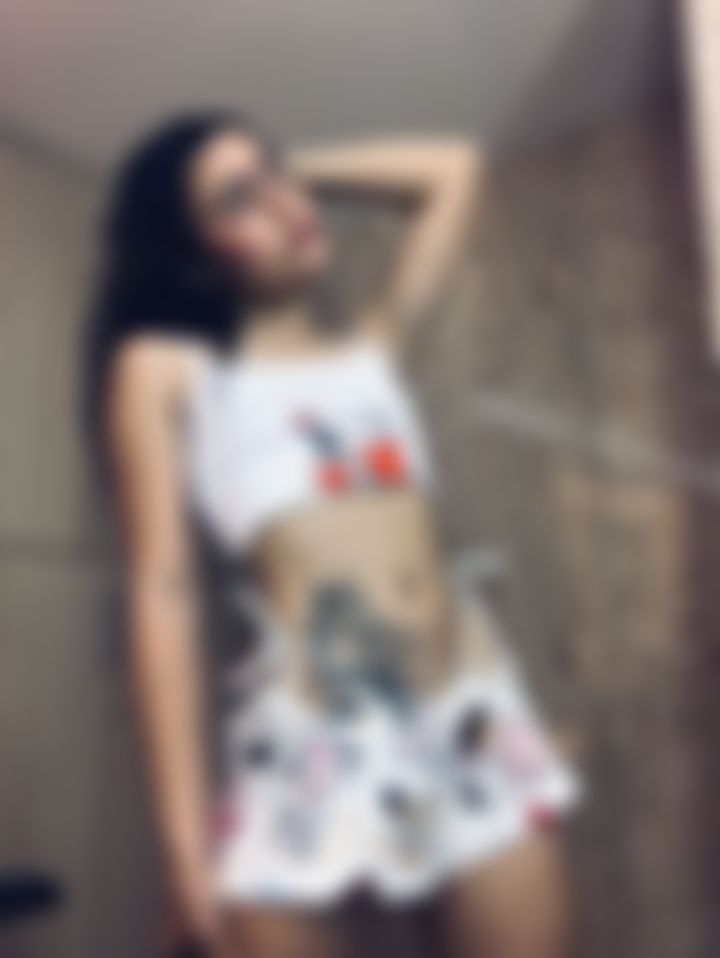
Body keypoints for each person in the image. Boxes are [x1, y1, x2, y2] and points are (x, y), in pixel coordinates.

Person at [84, 112, 579, 958]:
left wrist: (286, 170)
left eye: (277, 176)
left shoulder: (372, 348)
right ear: (191, 251)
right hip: (311, 741)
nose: (285, 205)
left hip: (468, 717)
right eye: (238, 201)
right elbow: (161, 594)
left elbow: (456, 167)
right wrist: (183, 853)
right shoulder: (166, 369)